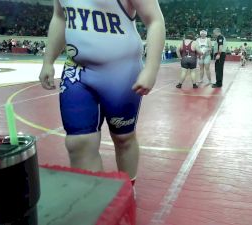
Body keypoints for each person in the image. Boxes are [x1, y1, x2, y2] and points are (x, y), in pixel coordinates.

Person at [39, 0, 165, 187]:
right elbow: (60, 17)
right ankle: (93, 201)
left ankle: (126, 192)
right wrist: (48, 60)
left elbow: (155, 20)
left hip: (120, 72)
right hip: (77, 71)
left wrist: (151, 68)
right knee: (78, 143)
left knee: (123, 138)